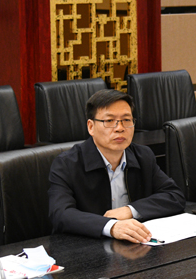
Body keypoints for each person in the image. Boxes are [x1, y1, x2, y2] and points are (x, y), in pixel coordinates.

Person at [48, 89, 186, 243]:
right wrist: (111, 226)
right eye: (109, 121)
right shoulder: (66, 164)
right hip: (88, 247)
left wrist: (130, 210)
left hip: (135, 245)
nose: (120, 128)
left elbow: (174, 196)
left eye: (126, 120)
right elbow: (60, 214)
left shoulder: (143, 156)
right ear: (91, 127)